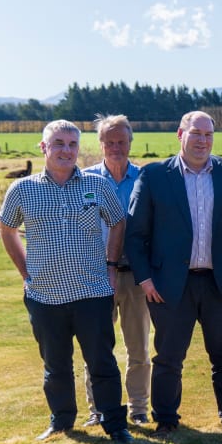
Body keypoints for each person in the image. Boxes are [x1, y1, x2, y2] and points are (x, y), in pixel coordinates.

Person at [124, 111, 222, 438]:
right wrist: (145, 279)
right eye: (196, 133)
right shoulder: (154, 176)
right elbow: (135, 235)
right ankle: (166, 420)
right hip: (170, 286)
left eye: (208, 135)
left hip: (221, 283)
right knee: (169, 357)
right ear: (180, 134)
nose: (202, 141)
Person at [0, 119, 133, 444]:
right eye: (59, 143)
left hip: (92, 293)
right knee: (55, 365)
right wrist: (25, 271)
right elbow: (6, 228)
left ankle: (115, 425)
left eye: (72, 144)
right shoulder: (23, 190)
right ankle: (61, 421)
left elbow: (118, 222)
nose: (66, 150)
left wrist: (111, 266)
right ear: (43, 147)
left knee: (102, 363)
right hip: (45, 296)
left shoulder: (96, 186)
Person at [80, 114, 151, 427]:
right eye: (110, 142)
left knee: (139, 347)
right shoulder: (85, 181)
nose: (116, 147)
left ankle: (138, 408)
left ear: (130, 142)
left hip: (135, 276)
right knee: (97, 348)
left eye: (121, 141)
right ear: (101, 144)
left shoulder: (145, 179)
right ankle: (98, 408)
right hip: (96, 276)